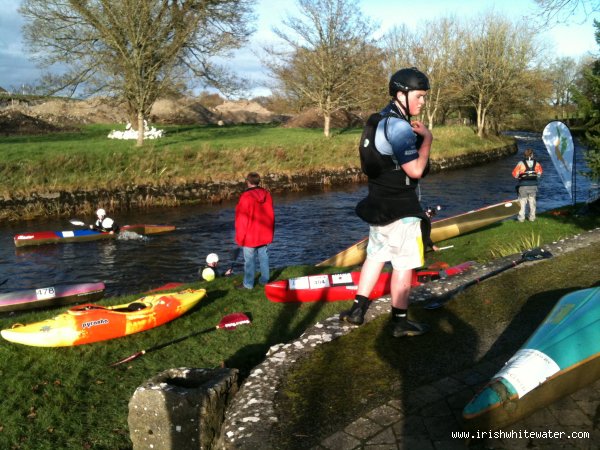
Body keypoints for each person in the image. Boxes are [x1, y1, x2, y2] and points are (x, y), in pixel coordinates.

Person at [339, 67, 433, 338]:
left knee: (375, 257)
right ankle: (399, 322)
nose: (422, 102)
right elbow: (415, 170)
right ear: (402, 94)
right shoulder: (400, 127)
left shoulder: (377, 119)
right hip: (402, 210)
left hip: (378, 205)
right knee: (403, 265)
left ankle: (357, 310)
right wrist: (427, 139)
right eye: (420, 96)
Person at [234, 172, 275, 290]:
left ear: (248, 182)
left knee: (249, 261)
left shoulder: (246, 197)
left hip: (250, 235)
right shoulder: (267, 194)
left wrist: (240, 238)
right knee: (264, 257)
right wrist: (270, 232)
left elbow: (241, 219)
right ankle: (265, 280)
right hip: (264, 232)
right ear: (258, 181)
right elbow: (271, 215)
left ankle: (248, 284)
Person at [512, 148, 543, 222]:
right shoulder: (537, 164)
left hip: (523, 186)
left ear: (524, 155)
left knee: (522, 202)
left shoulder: (521, 163)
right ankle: (532, 218)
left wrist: (520, 176)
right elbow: (539, 174)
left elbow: (515, 174)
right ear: (532, 155)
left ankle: (521, 218)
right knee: (532, 202)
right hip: (533, 186)